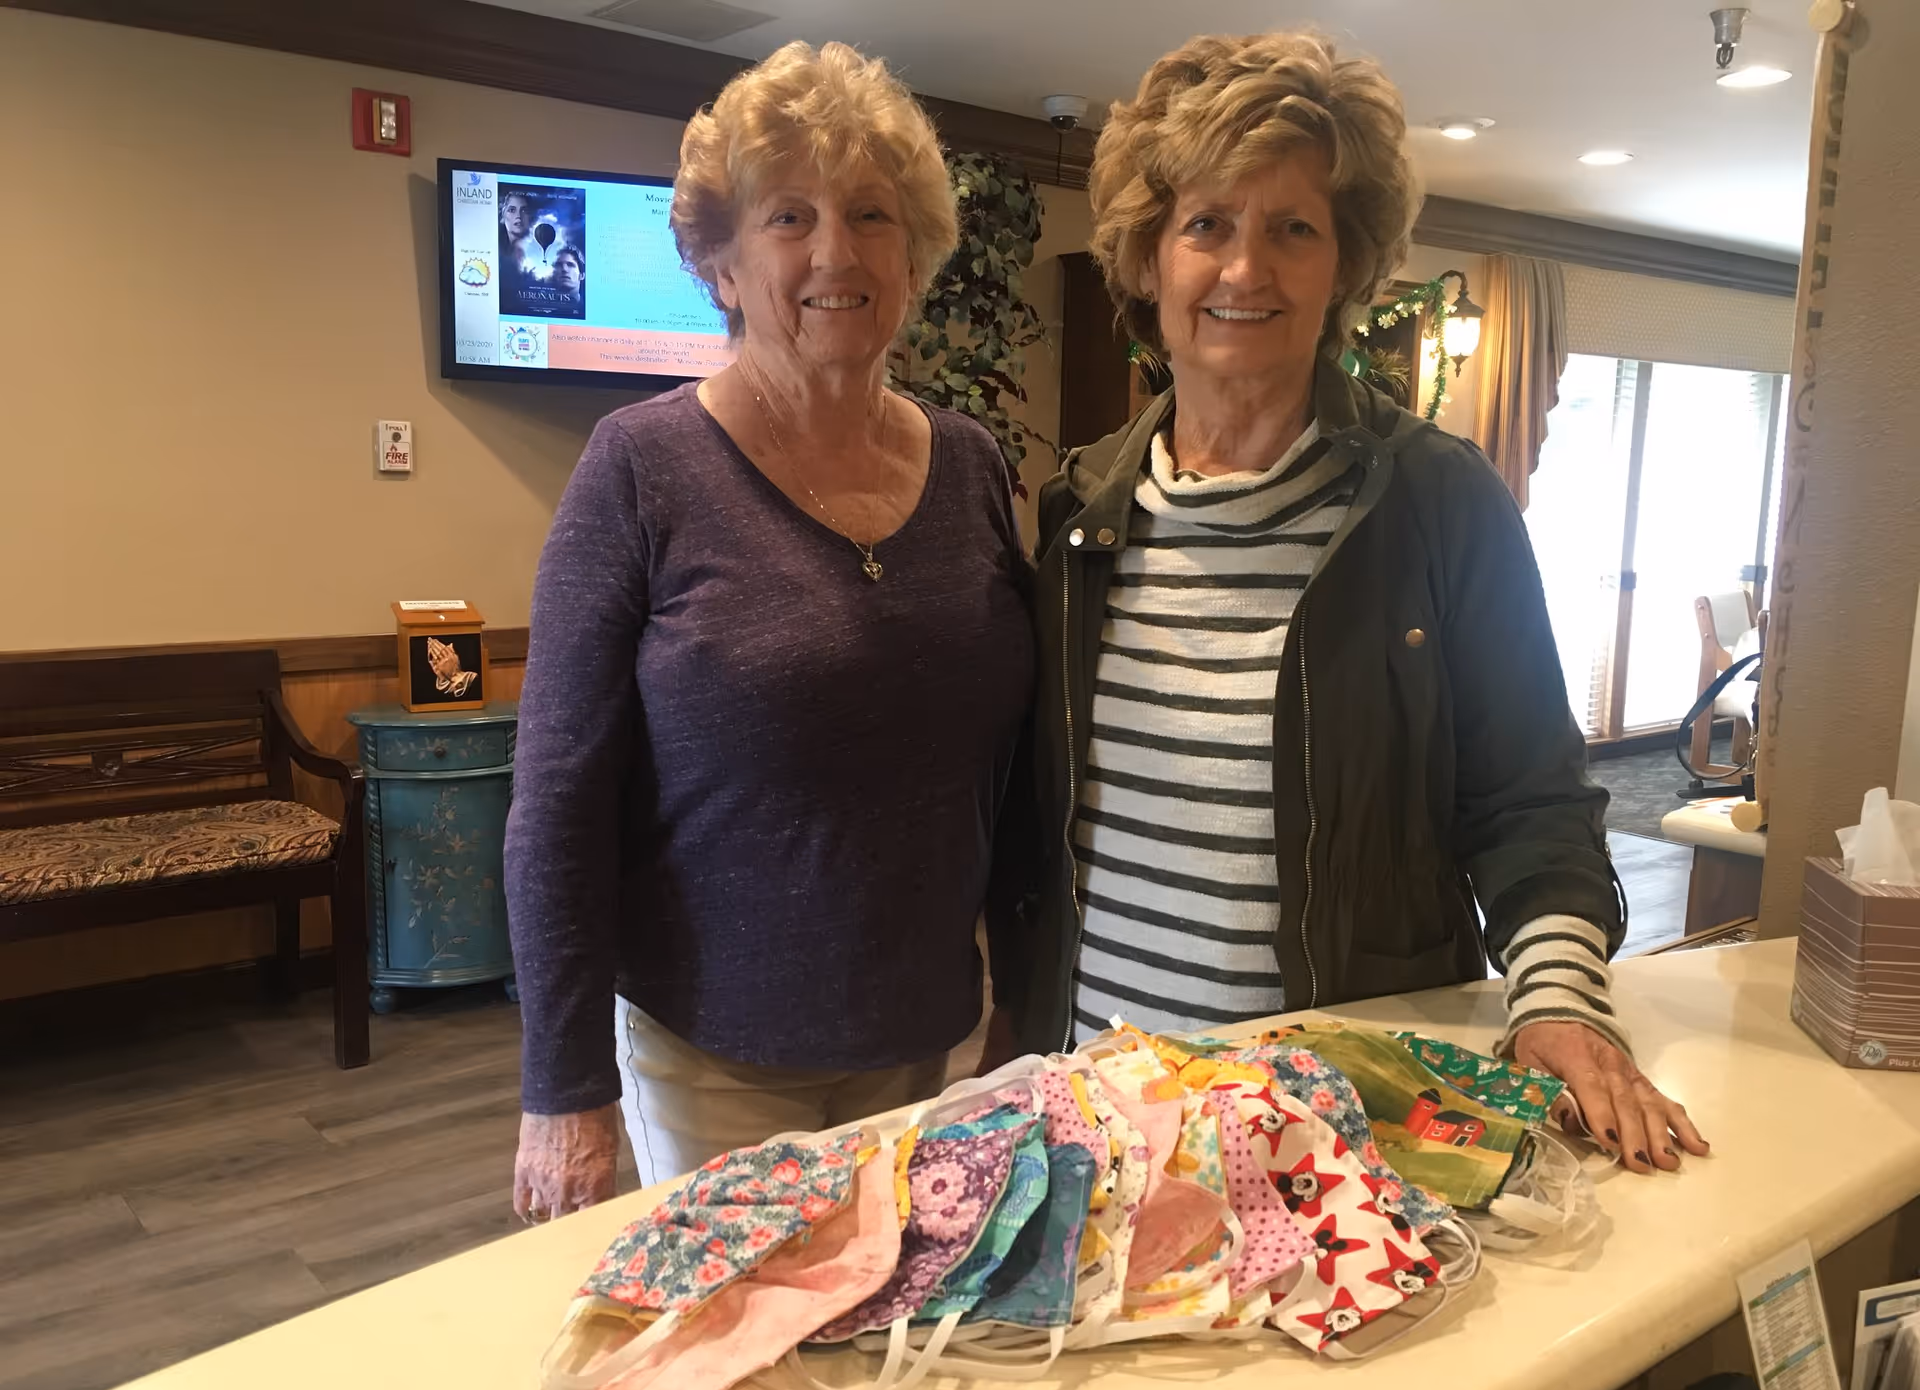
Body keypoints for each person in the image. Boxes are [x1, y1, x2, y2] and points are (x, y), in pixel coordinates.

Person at [988, 31, 1709, 1177]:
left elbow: (1530, 797)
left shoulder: (1440, 505)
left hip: (1339, 1116)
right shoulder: (1081, 512)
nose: (1245, 270)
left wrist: (1559, 1000)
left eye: (1293, 228)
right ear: (1148, 258)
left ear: (1346, 262)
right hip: (1103, 1111)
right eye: (1207, 224)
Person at [506, 40, 1034, 1219]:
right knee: (748, 1329)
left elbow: (1017, 775)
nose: (836, 252)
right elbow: (557, 800)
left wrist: (1024, 1000)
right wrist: (564, 1089)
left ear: (915, 255)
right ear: (721, 265)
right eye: (789, 215)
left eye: (872, 214)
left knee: (923, 1321)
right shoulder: (640, 468)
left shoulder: (972, 466)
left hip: (932, 1040)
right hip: (718, 1059)